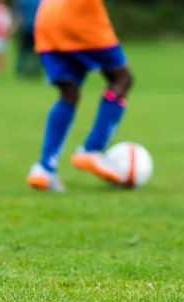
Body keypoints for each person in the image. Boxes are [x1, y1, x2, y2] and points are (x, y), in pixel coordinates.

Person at [26, 0, 134, 192]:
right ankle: (93, 149)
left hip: (48, 18)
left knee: (69, 92)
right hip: (80, 16)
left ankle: (44, 168)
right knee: (122, 78)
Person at [13, 0, 42, 79]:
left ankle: (21, 71)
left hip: (26, 27)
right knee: (36, 51)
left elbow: (17, 14)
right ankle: (35, 72)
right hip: (37, 27)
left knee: (23, 51)